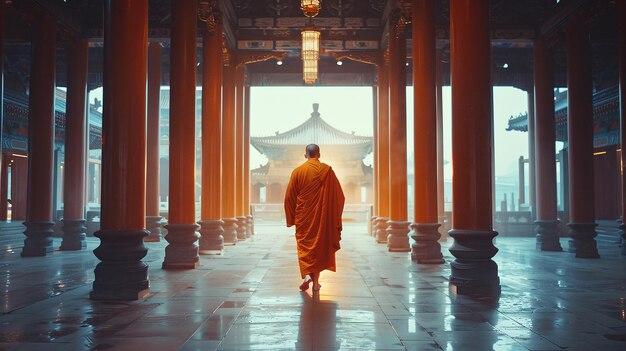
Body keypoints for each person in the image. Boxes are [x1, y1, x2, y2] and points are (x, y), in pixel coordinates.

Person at [284, 144, 345, 292]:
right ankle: (316, 282)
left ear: (305, 155)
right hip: (322, 218)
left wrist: (291, 218)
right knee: (318, 248)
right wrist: (331, 214)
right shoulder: (328, 171)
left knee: (306, 248)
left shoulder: (298, 172)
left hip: (304, 217)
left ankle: (307, 277)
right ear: (319, 154)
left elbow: (289, 198)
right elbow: (340, 197)